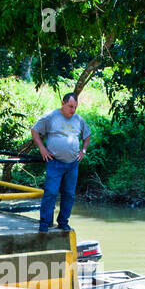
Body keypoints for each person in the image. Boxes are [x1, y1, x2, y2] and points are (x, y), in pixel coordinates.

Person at [31, 92, 90, 233]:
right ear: (62, 103)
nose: (73, 110)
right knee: (51, 192)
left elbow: (87, 135)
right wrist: (42, 149)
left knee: (69, 194)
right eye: (70, 106)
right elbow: (34, 131)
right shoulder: (51, 117)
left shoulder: (79, 120)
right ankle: (45, 223)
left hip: (72, 164)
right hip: (54, 162)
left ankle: (63, 222)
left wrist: (83, 150)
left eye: (75, 107)